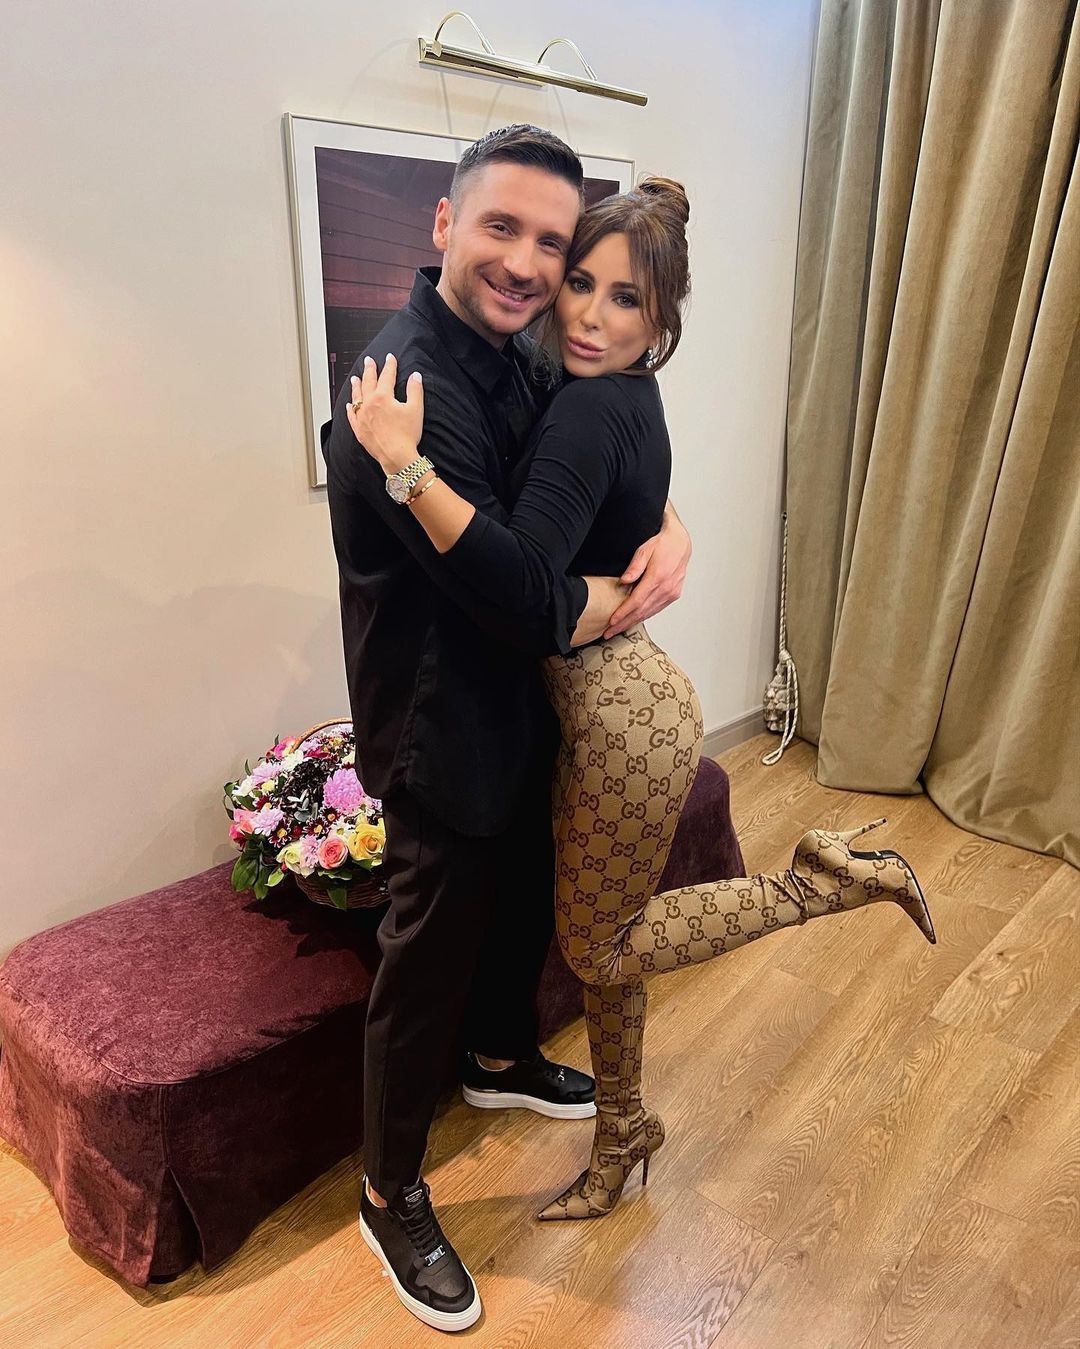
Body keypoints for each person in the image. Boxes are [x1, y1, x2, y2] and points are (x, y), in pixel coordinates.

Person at [347, 175, 937, 1229]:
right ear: (449, 225)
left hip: (622, 719)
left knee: (605, 945)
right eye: (580, 281)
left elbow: (528, 589)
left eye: (625, 299)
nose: (584, 311)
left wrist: (405, 465)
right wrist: (665, 527)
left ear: (661, 324)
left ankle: (818, 882)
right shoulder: (572, 377)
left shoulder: (584, 399)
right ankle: (623, 1132)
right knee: (598, 928)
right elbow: (600, 495)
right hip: (621, 703)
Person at [322, 125, 692, 1334]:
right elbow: (525, 596)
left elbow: (589, 452)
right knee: (424, 956)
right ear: (444, 223)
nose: (529, 265)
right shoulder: (401, 388)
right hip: (443, 721)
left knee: (523, 897)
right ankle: (388, 1189)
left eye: (552, 243)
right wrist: (622, 590)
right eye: (502, 227)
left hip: (525, 700)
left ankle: (498, 1058)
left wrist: (671, 524)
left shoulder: (518, 348)